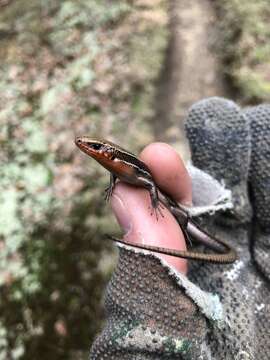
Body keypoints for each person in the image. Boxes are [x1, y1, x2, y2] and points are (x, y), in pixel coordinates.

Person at [90, 97, 270, 359]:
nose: (88, 148)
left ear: (108, 152)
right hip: (178, 214)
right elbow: (120, 175)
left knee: (182, 216)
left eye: (94, 146)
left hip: (175, 209)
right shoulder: (113, 164)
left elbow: (148, 182)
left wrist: (155, 203)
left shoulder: (124, 162)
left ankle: (187, 232)